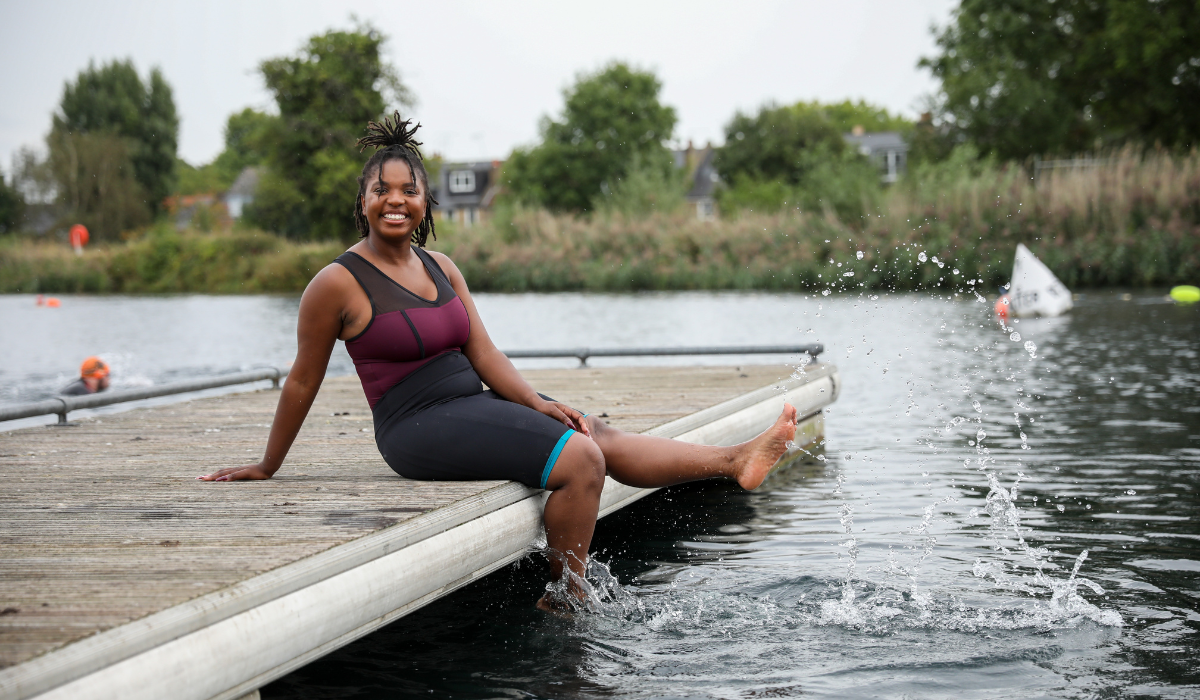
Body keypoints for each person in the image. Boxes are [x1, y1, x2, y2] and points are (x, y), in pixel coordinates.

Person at [200, 113, 798, 609]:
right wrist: (268, 464)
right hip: (413, 428)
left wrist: (538, 402)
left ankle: (735, 460)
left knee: (590, 429)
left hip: (471, 405)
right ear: (362, 200)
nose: (395, 200)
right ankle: (568, 591)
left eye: (408, 189)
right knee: (581, 461)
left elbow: (482, 352)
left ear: (424, 200)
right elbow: (303, 379)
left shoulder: (442, 267)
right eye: (381, 189)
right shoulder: (336, 283)